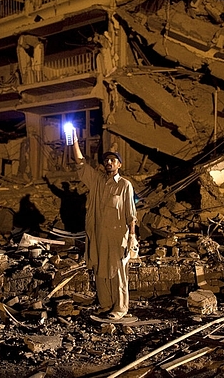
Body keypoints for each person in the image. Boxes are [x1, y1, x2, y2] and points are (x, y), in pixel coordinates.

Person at [71, 132, 138, 320]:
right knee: (100, 270)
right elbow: (81, 163)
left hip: (118, 236)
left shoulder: (125, 185)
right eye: (107, 160)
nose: (109, 162)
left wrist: (132, 237)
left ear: (119, 165)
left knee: (117, 272)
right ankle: (106, 304)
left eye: (113, 160)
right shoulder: (98, 181)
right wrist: (74, 141)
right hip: (99, 235)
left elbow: (131, 214)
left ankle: (120, 308)